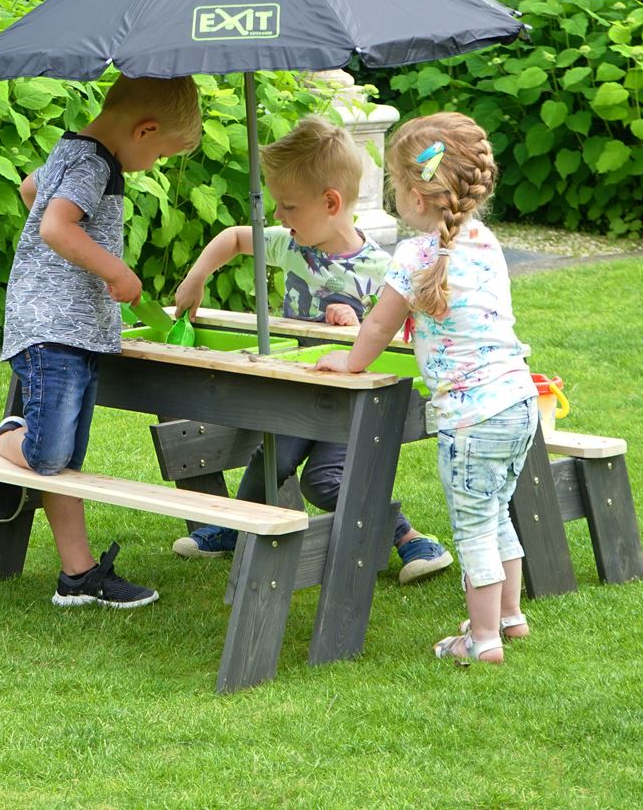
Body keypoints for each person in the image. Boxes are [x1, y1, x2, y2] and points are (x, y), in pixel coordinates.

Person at [167, 115, 454, 584]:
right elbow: (235, 238)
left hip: (349, 405)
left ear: (330, 202)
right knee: (272, 453)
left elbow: (395, 333)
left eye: (288, 206)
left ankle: (409, 539)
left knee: (325, 481)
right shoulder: (292, 246)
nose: (279, 217)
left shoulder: (383, 269)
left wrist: (357, 325)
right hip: (297, 390)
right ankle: (236, 525)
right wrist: (196, 278)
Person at [315, 111, 539, 665]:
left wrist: (349, 363)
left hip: (471, 420)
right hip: (519, 403)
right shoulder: (485, 242)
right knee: (496, 510)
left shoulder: (416, 255)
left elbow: (377, 326)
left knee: (472, 529)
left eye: (394, 185)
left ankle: (482, 640)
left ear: (416, 195)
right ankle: (508, 617)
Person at [0, 74, 203, 609]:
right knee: (49, 452)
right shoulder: (94, 164)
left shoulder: (71, 148)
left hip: (72, 327)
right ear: (145, 129)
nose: (150, 166)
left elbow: (30, 190)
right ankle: (7, 439)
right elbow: (56, 228)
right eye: (158, 154)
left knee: (65, 459)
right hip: (53, 328)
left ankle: (78, 576)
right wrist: (116, 271)